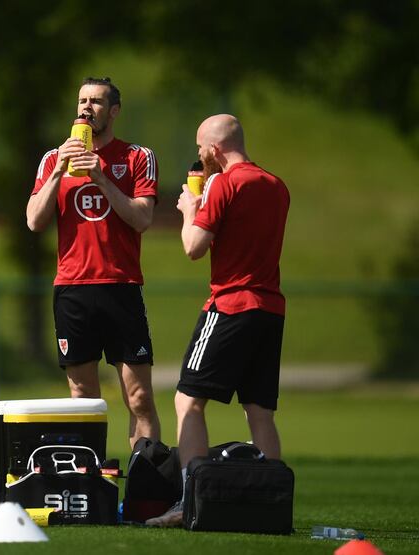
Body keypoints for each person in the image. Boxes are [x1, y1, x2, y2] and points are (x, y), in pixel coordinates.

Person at [146, 114, 290, 527]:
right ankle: (270, 502)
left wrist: (191, 209)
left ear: (213, 150)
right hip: (270, 308)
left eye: (199, 148)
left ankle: (189, 501)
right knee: (259, 410)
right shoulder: (276, 185)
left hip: (230, 305)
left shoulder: (225, 184)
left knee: (188, 400)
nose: (198, 155)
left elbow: (194, 247)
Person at [27, 77, 162, 449]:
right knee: (82, 398)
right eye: (82, 100)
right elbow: (35, 221)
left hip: (120, 287)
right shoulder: (52, 159)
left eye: (97, 102)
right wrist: (59, 170)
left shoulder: (137, 156)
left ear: (113, 111)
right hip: (73, 289)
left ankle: (142, 487)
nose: (87, 108)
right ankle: (88, 484)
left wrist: (101, 176)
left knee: (139, 398)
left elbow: (142, 219)